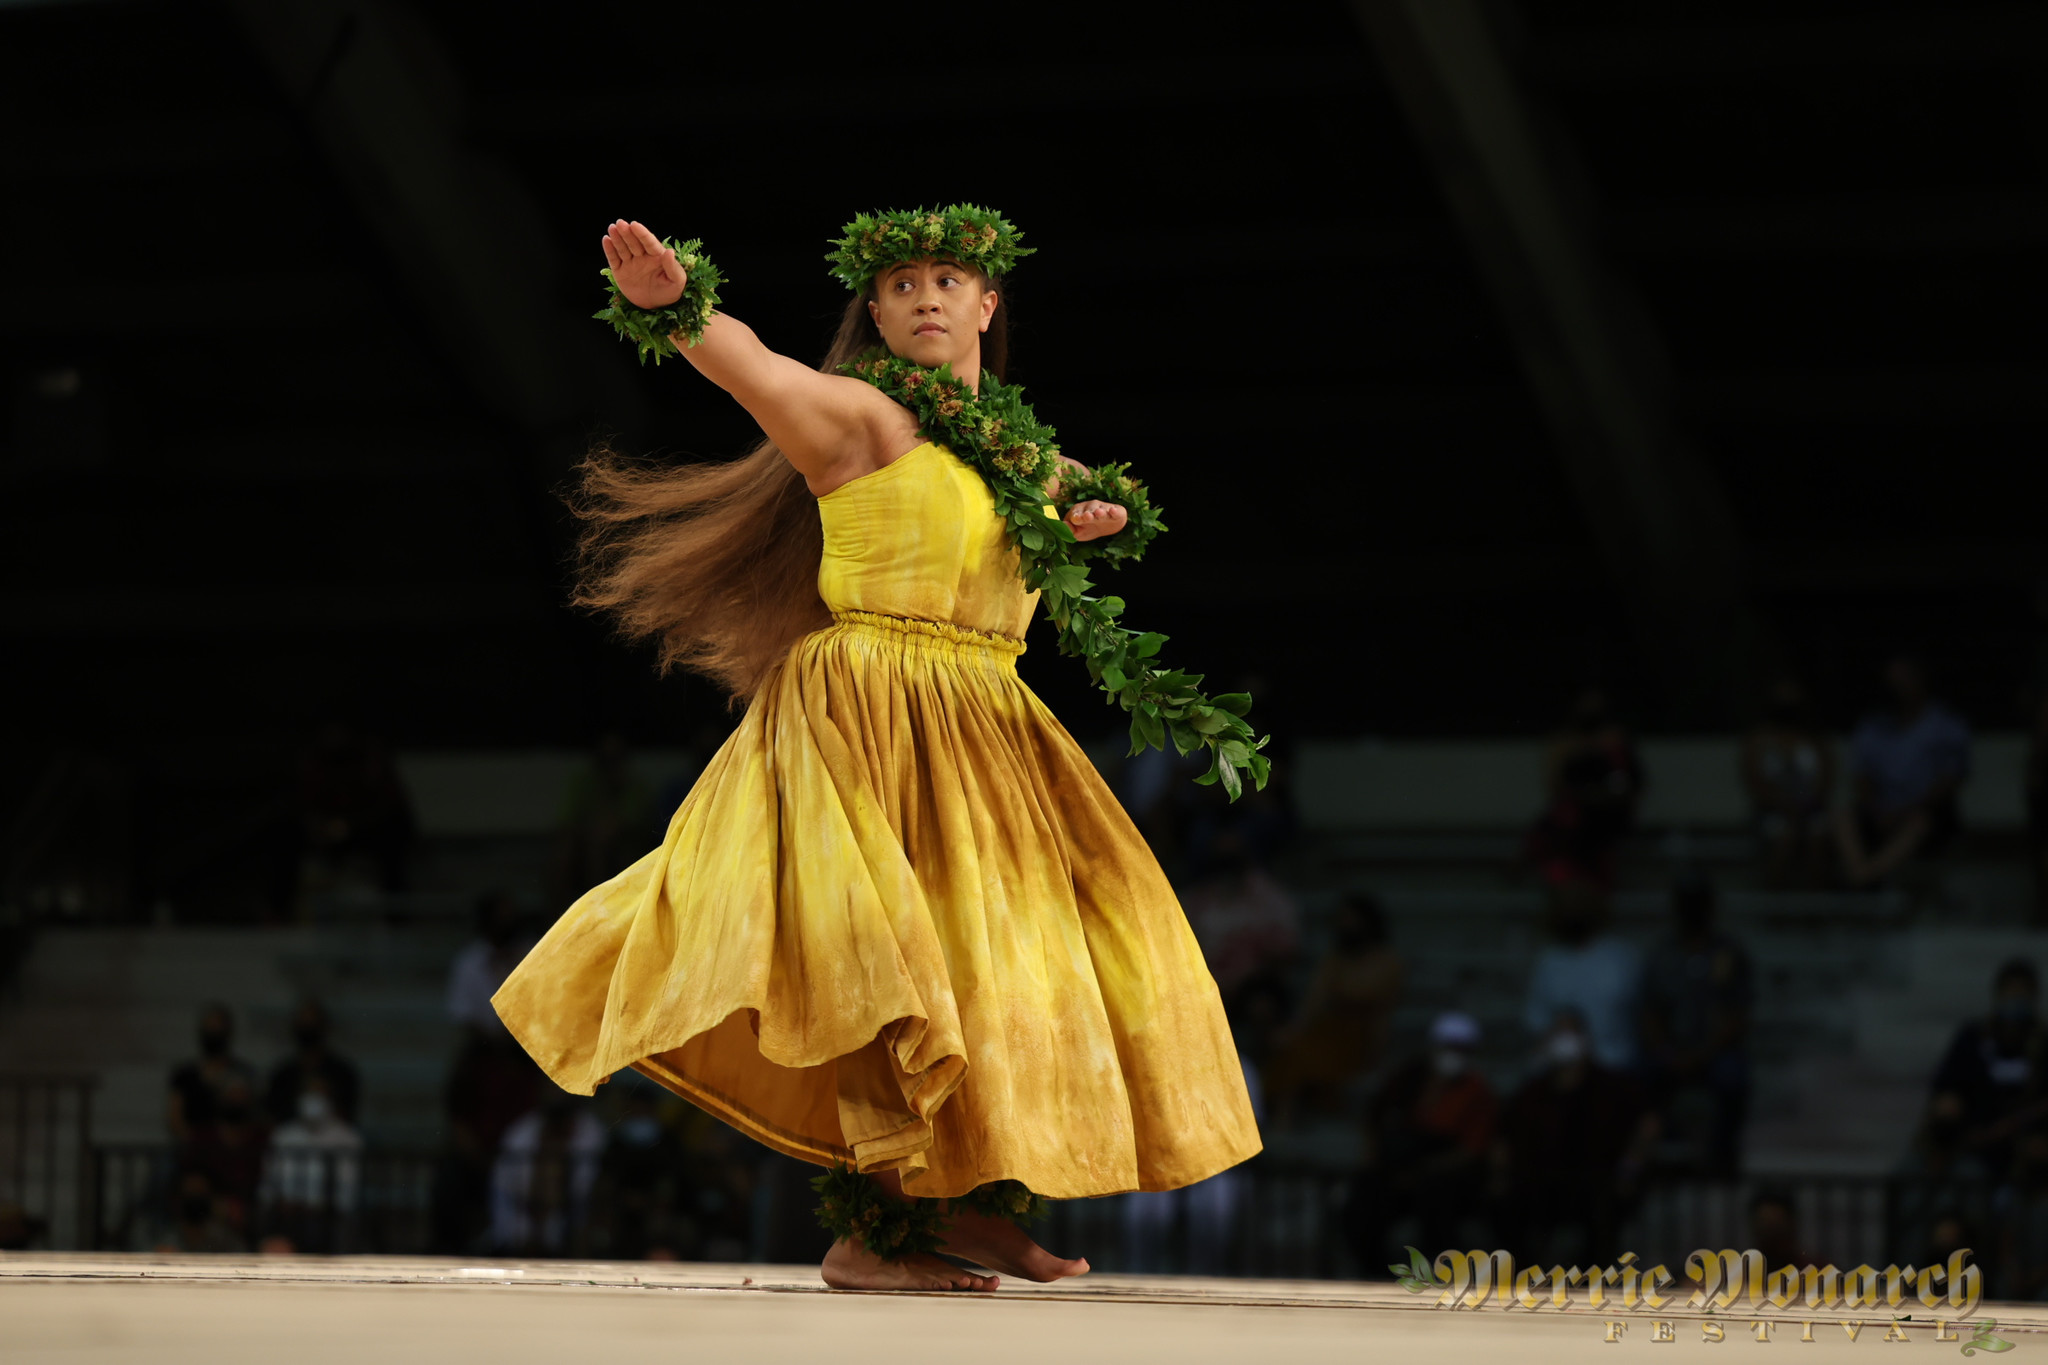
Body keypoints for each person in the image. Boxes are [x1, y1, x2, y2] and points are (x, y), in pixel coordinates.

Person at [491, 209, 1262, 1293]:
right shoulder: (858, 421)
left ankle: (974, 1202)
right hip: (871, 717)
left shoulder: (1020, 454)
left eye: (948, 280)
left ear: (987, 308)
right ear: (876, 315)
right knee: (895, 966)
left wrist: (1093, 516)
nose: (926, 298)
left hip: (987, 724)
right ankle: (875, 1234)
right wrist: (677, 310)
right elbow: (752, 369)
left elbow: (1092, 500)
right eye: (900, 287)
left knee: (1007, 964)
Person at [1495, 1009, 1658, 1265]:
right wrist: (1501, 1174)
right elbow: (1504, 1134)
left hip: (1598, 1182)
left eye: (1570, 1033)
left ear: (1585, 1040)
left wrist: (1630, 1169)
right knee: (1509, 1204)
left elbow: (1648, 1125)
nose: (1564, 1040)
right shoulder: (1533, 1091)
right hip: (1542, 1182)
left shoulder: (1612, 1086)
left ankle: (1592, 1284)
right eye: (1558, 1033)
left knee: (1603, 1210)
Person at [1344, 1011, 1497, 1269]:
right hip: (1399, 1168)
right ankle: (1371, 1272)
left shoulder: (1477, 1092)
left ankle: (1438, 1275)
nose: (1452, 1055)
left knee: (1439, 1203)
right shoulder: (1408, 1080)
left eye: (1461, 1049)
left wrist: (1424, 1172)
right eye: (1447, 1047)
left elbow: (1471, 1150)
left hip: (1443, 1178)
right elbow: (1377, 1115)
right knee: (1364, 1199)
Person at [1639, 876, 1751, 1176]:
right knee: (1642, 1075)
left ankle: (1723, 1158)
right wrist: (1668, 1052)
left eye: (1697, 904)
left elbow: (1737, 1015)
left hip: (1714, 1051)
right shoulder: (1662, 954)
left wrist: (1702, 1054)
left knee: (1733, 1079)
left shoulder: (1728, 953)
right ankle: (1667, 1155)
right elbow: (1650, 1013)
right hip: (1671, 1050)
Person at [1264, 892, 1404, 1123]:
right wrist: (1292, 1030)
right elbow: (1314, 1002)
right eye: (1342, 920)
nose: (1346, 925)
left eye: (1351, 919)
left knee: (1304, 1055)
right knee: (1293, 1050)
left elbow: (1381, 1008)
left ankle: (1288, 1114)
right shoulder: (1334, 960)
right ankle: (1281, 1114)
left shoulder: (1388, 962)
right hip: (1329, 1030)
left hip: (1361, 1036)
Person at [1836, 654, 1971, 888]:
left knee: (1919, 823)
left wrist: (1905, 810)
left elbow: (1950, 779)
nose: (1896, 687)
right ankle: (1858, 873)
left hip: (1923, 812)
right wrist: (1876, 809)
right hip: (1880, 810)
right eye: (1891, 681)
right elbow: (1861, 776)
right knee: (1844, 815)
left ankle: (1864, 878)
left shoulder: (1945, 723)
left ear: (1920, 680)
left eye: (1903, 679)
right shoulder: (1872, 725)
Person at [1924, 959, 2048, 1183]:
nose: (2016, 1000)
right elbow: (1945, 1086)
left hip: (2027, 1140)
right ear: (1998, 995)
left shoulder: (2043, 1043)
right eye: (2011, 992)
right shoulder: (1974, 1037)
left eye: (2023, 994)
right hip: (1975, 1138)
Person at [1525, 689, 1645, 890]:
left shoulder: (1616, 743)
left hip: (1609, 817)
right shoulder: (1565, 745)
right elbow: (1558, 785)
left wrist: (1605, 796)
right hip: (1578, 820)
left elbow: (1630, 786)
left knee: (1573, 829)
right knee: (1560, 825)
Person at [1523, 881, 1643, 1072]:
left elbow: (1641, 1015)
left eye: (1579, 901)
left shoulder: (1620, 957)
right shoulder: (1549, 961)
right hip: (1563, 1066)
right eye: (1568, 902)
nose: (1573, 909)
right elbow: (1535, 1021)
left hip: (1614, 1063)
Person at [1739, 678, 1835, 887]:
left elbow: (1825, 781)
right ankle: (1777, 907)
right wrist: (1785, 805)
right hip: (1771, 811)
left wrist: (1804, 805)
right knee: (1784, 836)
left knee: (1819, 834)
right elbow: (1755, 784)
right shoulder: (1758, 739)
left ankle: (1812, 907)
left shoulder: (1814, 739)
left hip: (1810, 809)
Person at [167, 1003, 260, 1143]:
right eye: (209, 1027)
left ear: (228, 1031)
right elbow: (175, 1119)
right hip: (196, 1152)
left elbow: (254, 1116)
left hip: (236, 1151)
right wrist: (199, 1145)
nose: (213, 1032)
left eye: (218, 1028)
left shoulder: (243, 1073)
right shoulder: (184, 1075)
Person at [265, 998, 361, 1129]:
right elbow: (274, 1116)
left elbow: (348, 1114)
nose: (308, 1027)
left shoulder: (343, 1072)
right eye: (303, 1022)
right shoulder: (282, 1074)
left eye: (312, 1022)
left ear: (324, 1026)